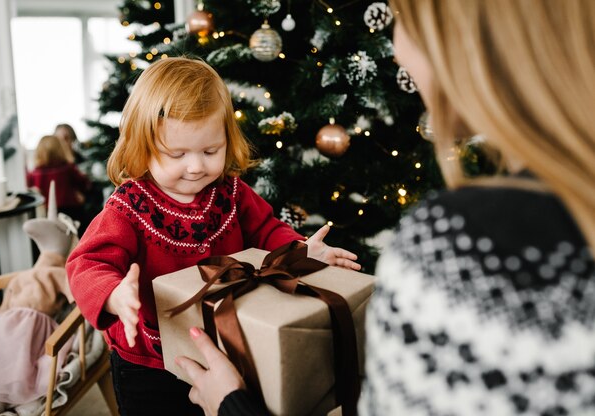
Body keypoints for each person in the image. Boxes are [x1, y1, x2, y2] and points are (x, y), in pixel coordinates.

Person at [174, 1, 595, 415]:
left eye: (404, 20)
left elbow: (267, 229)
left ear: (468, 42)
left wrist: (232, 404)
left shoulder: (458, 244)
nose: (396, 48)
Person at [65, 56, 360, 416]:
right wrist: (112, 294)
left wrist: (301, 251)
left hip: (224, 352)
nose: (196, 166)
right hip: (148, 364)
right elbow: (87, 262)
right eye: (176, 154)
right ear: (142, 146)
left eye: (210, 151)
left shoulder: (231, 192)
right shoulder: (128, 208)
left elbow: (268, 229)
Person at [0, 209, 78, 416]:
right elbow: (3, 307)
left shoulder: (57, 273)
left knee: (9, 372)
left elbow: (79, 300)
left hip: (27, 326)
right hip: (2, 325)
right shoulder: (24, 276)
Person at [26, 135, 91, 234]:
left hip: (48, 214)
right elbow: (85, 184)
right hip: (72, 212)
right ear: (61, 149)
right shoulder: (68, 169)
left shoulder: (35, 174)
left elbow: (30, 190)